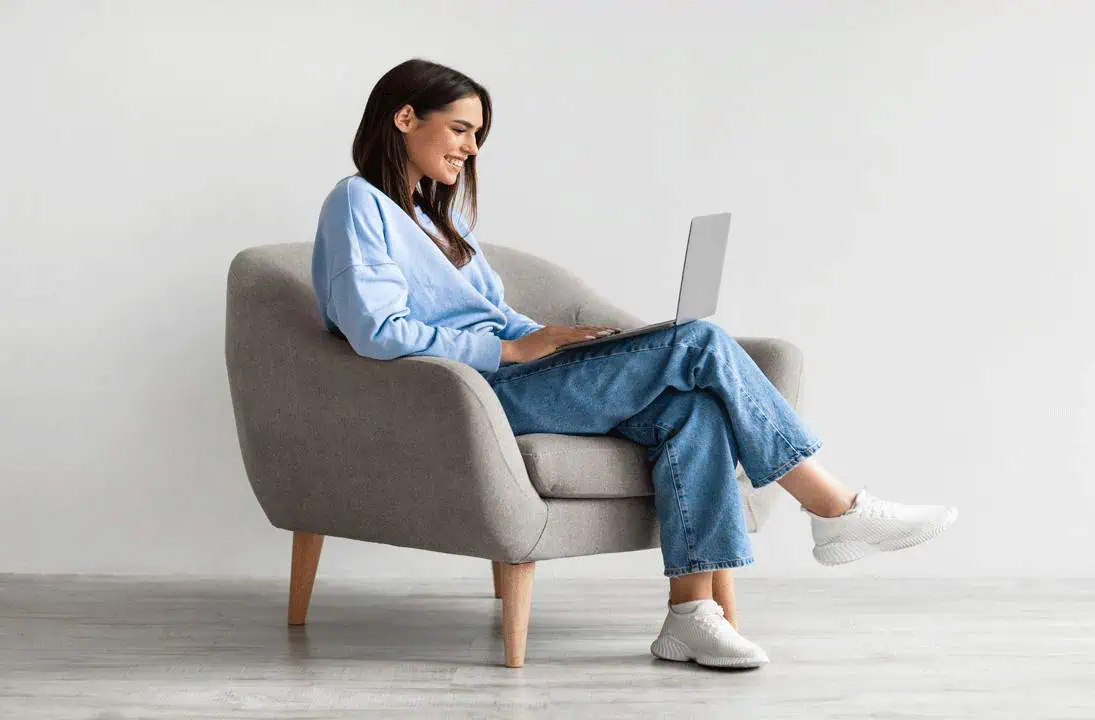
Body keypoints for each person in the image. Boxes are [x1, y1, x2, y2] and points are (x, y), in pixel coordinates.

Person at [311, 58, 959, 670]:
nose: (471, 149)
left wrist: (559, 338)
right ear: (404, 119)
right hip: (475, 392)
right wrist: (510, 350)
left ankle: (690, 614)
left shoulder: (437, 220)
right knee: (699, 343)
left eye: (477, 135)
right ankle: (835, 508)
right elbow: (378, 330)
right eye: (460, 129)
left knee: (692, 406)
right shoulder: (357, 203)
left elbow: (491, 311)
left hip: (518, 371)